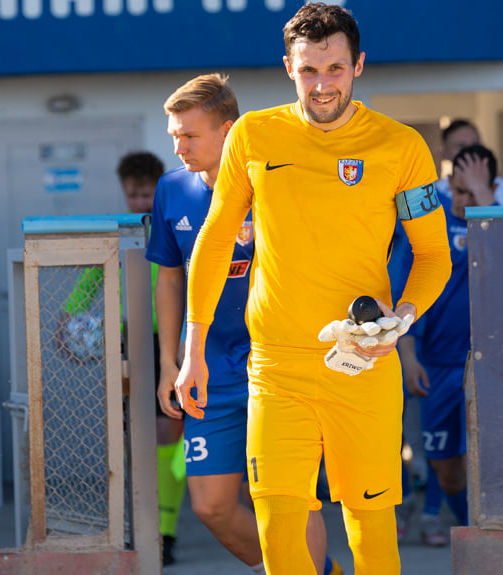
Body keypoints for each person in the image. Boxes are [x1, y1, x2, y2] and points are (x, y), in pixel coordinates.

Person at [173, 5, 452, 573]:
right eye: (308, 70)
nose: (322, 85)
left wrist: (402, 317)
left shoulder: (401, 148)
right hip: (277, 367)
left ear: (359, 66)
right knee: (279, 528)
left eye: (335, 68)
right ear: (288, 68)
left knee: (370, 531)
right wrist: (192, 348)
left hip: (365, 366)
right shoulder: (253, 134)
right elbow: (215, 238)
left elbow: (433, 256)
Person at [150, 73, 342, 575]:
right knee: (211, 504)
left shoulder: (274, 183)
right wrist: (170, 361)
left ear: (228, 131)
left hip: (276, 365)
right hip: (207, 371)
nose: (180, 147)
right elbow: (169, 281)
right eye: (174, 135)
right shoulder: (172, 190)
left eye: (190, 135)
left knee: (292, 498)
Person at [62, 150, 187, 565]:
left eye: (146, 194)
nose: (138, 203)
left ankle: (165, 531)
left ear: (160, 190)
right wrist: (67, 323)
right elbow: (88, 283)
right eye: (132, 195)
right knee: (135, 437)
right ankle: (140, 523)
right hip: (127, 341)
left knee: (168, 434)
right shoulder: (119, 232)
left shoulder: (174, 227)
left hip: (168, 342)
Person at [395, 144, 499, 545]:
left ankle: (488, 541)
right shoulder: (431, 229)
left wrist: (483, 200)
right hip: (437, 368)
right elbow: (406, 296)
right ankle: (470, 527)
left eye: (473, 192)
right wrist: (409, 356)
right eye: (458, 190)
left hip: (488, 366)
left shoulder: (497, 226)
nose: (463, 200)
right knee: (448, 470)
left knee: (493, 464)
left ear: (491, 190)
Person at [436, 119, 503, 206]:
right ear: (444, 155)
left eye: (475, 144)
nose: (470, 152)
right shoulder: (435, 193)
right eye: (461, 146)